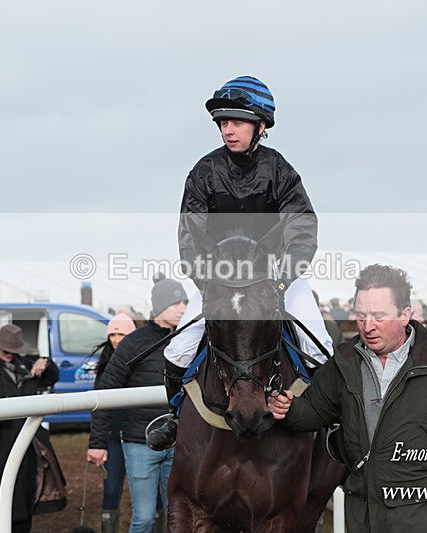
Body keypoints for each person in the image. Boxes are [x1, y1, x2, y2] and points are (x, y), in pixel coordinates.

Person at [148, 75, 333, 451]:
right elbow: (190, 236)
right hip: (220, 281)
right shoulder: (203, 172)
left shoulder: (280, 171)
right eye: (223, 123)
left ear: (260, 126)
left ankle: (331, 423)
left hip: (277, 279)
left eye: (237, 122)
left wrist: (280, 280)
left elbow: (303, 228)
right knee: (178, 350)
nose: (228, 130)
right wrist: (210, 281)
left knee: (321, 348)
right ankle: (173, 413)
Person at [268, 264, 427, 533]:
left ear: (405, 315)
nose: (368, 326)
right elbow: (314, 411)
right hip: (364, 518)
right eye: (361, 315)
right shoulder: (344, 362)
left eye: (379, 315)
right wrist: (290, 409)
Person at [87, 277, 187, 533]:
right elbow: (105, 391)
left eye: (184, 302)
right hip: (139, 443)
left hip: (180, 442)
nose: (182, 308)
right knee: (143, 518)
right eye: (175, 302)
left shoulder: (189, 340)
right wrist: (97, 443)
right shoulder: (134, 343)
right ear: (159, 307)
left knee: (176, 516)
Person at [0, 324, 60, 533]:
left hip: (28, 439)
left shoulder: (27, 366)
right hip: (0, 441)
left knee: (26, 490)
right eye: (5, 350)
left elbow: (52, 376)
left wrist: (45, 362)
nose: (10, 355)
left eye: (14, 351)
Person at [90, 313, 136, 533]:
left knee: (152, 492)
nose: (117, 339)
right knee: (111, 490)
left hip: (139, 435)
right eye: (113, 334)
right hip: (113, 438)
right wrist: (97, 442)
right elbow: (98, 406)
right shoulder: (105, 364)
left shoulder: (143, 361)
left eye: (122, 334)